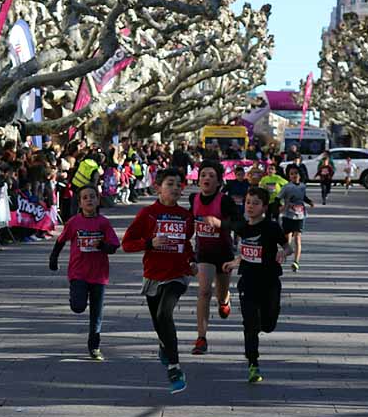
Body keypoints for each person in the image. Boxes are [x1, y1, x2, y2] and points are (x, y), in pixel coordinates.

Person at [121, 167, 195, 394]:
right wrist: (150, 243)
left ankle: (174, 367)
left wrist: (191, 261)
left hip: (177, 275)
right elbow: (127, 244)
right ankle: (164, 344)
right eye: (170, 183)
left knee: (165, 314)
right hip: (153, 275)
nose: (175, 188)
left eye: (178, 184)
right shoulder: (148, 214)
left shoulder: (186, 216)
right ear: (158, 188)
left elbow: (187, 243)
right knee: (158, 322)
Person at [222, 186, 289, 384]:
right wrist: (233, 263)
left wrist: (283, 253)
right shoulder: (242, 227)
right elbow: (245, 253)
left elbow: (288, 246)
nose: (250, 206)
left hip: (269, 282)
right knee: (250, 325)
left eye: (255, 203)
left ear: (265, 207)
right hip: (247, 282)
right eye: (248, 202)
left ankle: (264, 323)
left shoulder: (272, 227)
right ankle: (253, 363)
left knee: (267, 325)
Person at [48, 185, 120, 360]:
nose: (89, 199)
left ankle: (94, 347)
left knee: (96, 313)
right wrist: (53, 259)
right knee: (78, 307)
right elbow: (60, 240)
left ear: (98, 200)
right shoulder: (74, 222)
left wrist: (102, 245)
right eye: (85, 197)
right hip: (78, 272)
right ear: (79, 203)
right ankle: (76, 297)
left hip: (99, 274)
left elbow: (114, 246)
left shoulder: (103, 222)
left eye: (92, 196)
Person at [190, 161, 239, 355]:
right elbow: (188, 222)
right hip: (203, 254)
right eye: (203, 175)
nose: (206, 178)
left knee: (221, 293)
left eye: (211, 175)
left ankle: (225, 302)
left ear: (218, 181)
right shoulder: (194, 199)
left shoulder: (225, 201)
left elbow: (238, 224)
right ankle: (201, 338)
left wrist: (219, 223)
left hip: (224, 254)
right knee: (203, 292)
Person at [279, 165, 314, 271]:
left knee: (298, 238)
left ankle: (296, 262)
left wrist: (309, 202)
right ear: (289, 176)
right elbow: (278, 198)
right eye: (292, 174)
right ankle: (284, 255)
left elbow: (303, 196)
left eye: (296, 173)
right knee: (287, 238)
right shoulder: (286, 187)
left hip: (300, 215)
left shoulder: (303, 186)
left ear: (299, 175)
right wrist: (280, 207)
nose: (294, 175)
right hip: (288, 215)